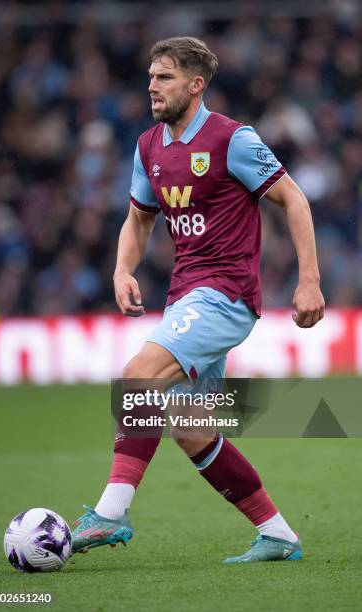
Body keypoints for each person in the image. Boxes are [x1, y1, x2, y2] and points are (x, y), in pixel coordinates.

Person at [72, 37, 325, 563]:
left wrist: (310, 281)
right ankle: (279, 534)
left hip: (225, 293)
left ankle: (109, 515)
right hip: (186, 294)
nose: (151, 86)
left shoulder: (232, 138)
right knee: (189, 427)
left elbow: (293, 198)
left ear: (195, 85)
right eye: (149, 77)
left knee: (138, 380)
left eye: (163, 77)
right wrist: (122, 268)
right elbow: (139, 218)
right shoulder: (148, 147)